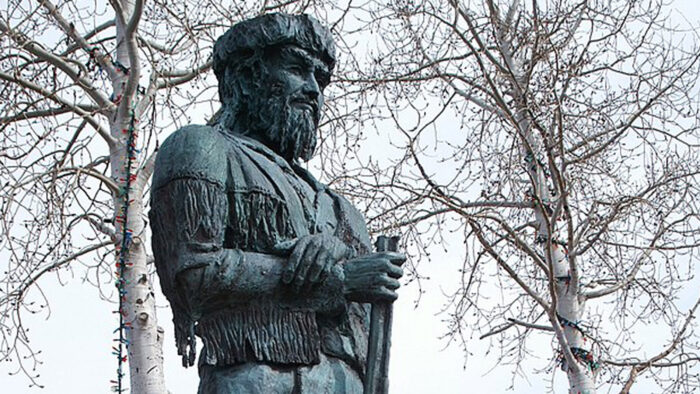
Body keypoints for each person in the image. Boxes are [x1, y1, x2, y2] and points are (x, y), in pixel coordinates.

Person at [149, 13, 404, 393]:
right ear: (249, 78)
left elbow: (367, 332)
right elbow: (194, 275)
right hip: (253, 379)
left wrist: (339, 255)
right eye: (297, 69)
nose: (314, 89)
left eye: (320, 78)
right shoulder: (202, 149)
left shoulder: (340, 210)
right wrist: (336, 279)